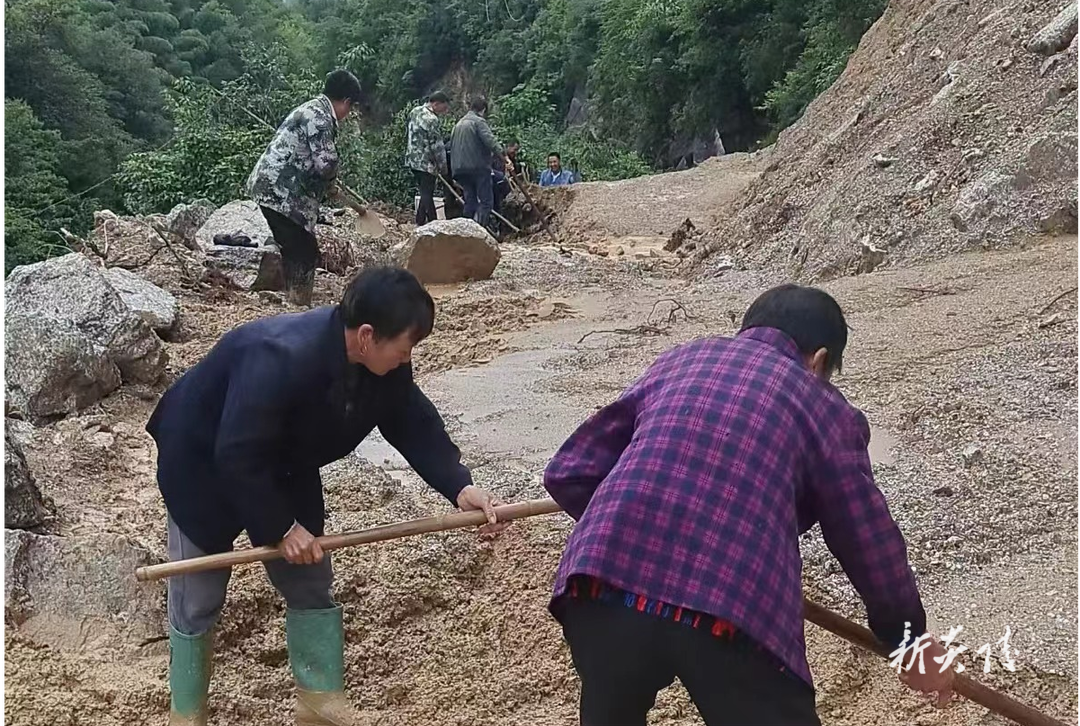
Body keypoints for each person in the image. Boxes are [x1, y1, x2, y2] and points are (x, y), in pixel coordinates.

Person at [543, 284, 955, 726]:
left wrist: (637, 526)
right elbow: (866, 539)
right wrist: (908, 639)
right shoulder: (823, 406)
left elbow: (569, 472)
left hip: (600, 586)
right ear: (818, 360)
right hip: (728, 613)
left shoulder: (681, 359)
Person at [148, 267, 511, 726]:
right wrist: (280, 528)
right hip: (204, 463)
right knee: (198, 596)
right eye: (405, 346)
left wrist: (459, 485)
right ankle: (187, 714)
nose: (407, 358)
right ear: (366, 336)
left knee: (309, 577)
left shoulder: (384, 364)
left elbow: (410, 419)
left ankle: (319, 701)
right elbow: (238, 455)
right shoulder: (277, 356)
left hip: (285, 461)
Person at [247, 69, 362, 307]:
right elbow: (326, 163)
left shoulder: (311, 108)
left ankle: (293, 301)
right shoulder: (320, 117)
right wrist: (330, 183)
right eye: (350, 108)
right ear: (346, 102)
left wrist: (328, 184)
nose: (347, 114)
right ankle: (297, 305)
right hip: (280, 192)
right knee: (303, 251)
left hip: (274, 188)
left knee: (297, 247)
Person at [449, 97, 510, 227]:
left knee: (469, 201)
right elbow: (491, 141)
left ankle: (466, 231)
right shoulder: (478, 122)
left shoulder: (458, 124)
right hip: (477, 168)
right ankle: (480, 231)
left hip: (459, 169)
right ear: (482, 110)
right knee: (486, 202)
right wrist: (505, 158)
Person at [405, 90, 451, 226]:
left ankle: (423, 220)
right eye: (444, 107)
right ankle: (431, 222)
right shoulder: (432, 120)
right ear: (436, 104)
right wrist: (443, 168)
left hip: (412, 159)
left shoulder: (415, 111)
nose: (445, 110)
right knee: (427, 192)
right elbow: (437, 147)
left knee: (425, 191)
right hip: (426, 163)